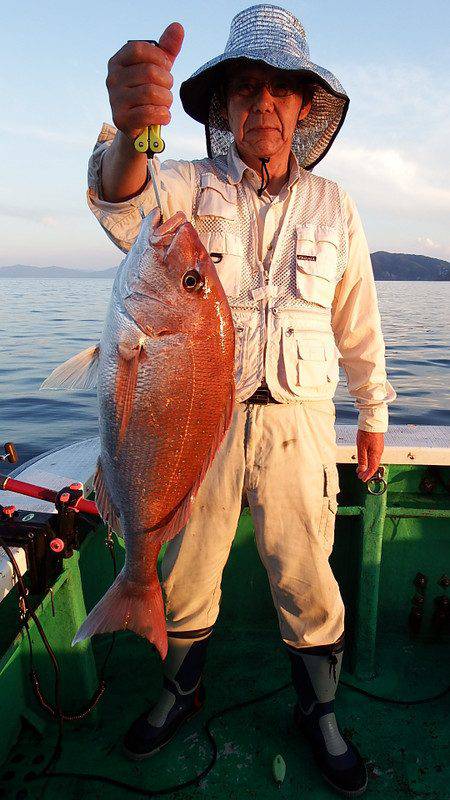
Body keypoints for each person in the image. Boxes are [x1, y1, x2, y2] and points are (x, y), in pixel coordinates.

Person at [87, 5, 396, 795]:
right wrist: (131, 133)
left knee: (307, 575)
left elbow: (358, 317)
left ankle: (320, 711)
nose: (263, 102)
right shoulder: (185, 186)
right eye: (246, 87)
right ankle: (179, 690)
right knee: (187, 571)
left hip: (300, 424)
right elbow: (123, 201)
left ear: (303, 106)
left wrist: (373, 412)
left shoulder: (334, 205)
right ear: (223, 106)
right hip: (200, 423)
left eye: (279, 88)